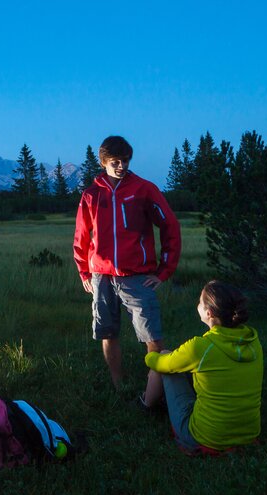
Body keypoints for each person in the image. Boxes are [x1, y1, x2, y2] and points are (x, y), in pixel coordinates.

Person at [73, 135, 181, 391]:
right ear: (103, 163)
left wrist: (164, 270)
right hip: (101, 275)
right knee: (107, 332)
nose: (121, 166)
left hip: (137, 276)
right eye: (115, 162)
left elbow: (170, 225)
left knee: (151, 334)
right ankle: (117, 384)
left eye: (125, 161)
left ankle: (156, 387)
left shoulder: (144, 189)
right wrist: (85, 272)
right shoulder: (91, 195)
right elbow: (81, 236)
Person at [144, 280, 263, 454]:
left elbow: (160, 364)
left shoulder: (201, 347)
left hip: (205, 438)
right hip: (249, 434)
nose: (197, 304)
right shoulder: (254, 343)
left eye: (199, 301)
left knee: (164, 358)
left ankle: (145, 406)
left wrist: (150, 356)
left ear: (209, 313)